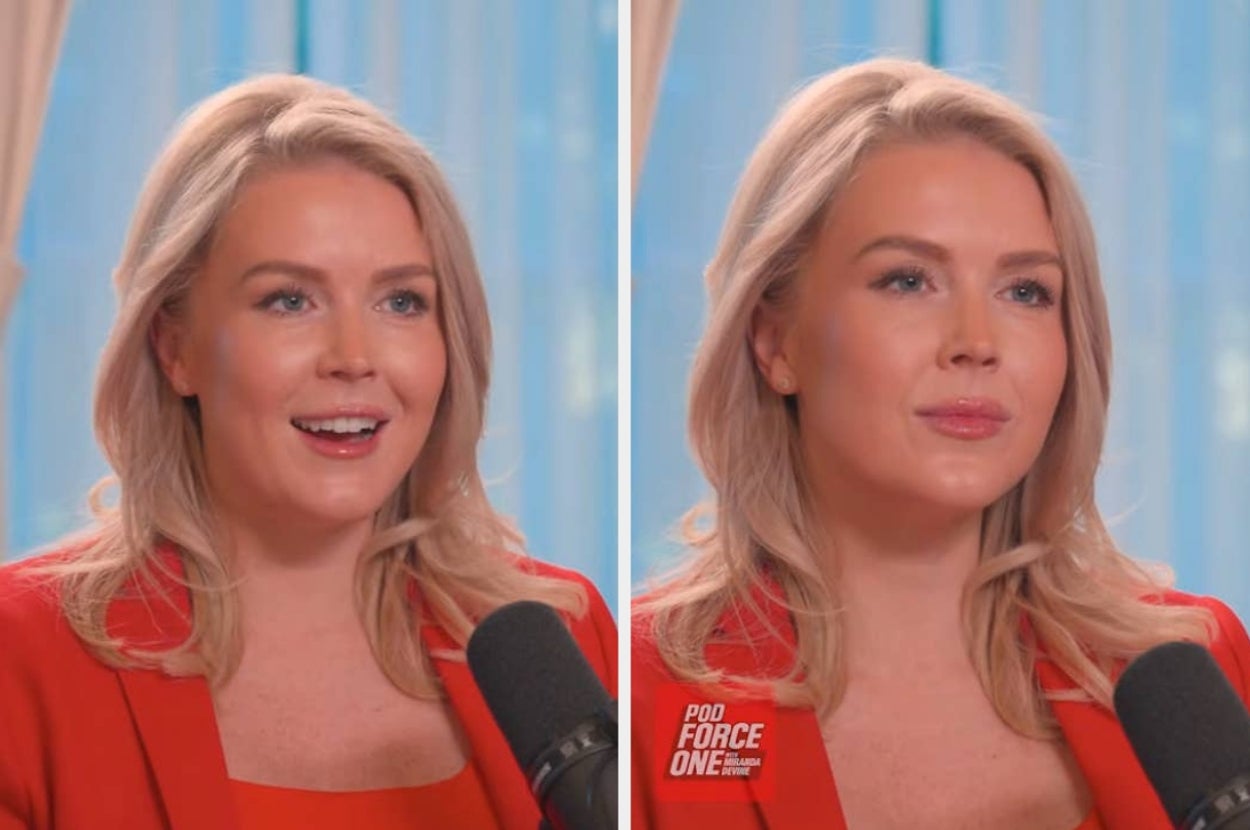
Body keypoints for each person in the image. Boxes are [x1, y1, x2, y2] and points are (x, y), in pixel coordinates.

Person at [631, 57, 1250, 830]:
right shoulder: (642, 693)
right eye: (907, 280)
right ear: (774, 339)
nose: (977, 343)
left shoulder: (1197, 667)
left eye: (1025, 292)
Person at [0, 74, 616, 830]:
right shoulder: (22, 657)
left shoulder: (560, 634)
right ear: (175, 347)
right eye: (289, 300)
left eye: (401, 302)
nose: (355, 357)